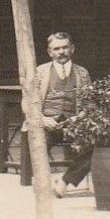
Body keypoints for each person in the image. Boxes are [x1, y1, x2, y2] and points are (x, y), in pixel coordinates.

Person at [25, 32, 93, 197]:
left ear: (72, 49)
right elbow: (28, 103)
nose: (61, 52)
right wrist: (43, 119)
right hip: (47, 123)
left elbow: (90, 105)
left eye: (65, 47)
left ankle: (64, 182)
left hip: (73, 123)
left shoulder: (83, 73)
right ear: (50, 52)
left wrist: (78, 118)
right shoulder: (39, 72)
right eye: (57, 49)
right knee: (37, 143)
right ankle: (42, 185)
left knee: (94, 145)